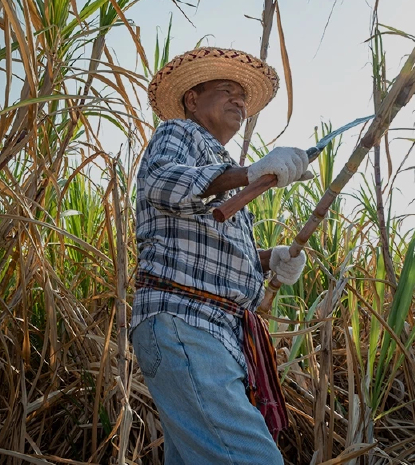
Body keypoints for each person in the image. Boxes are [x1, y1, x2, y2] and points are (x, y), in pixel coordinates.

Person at [130, 47, 313, 464]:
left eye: (243, 96)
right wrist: (249, 174)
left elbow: (212, 244)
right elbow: (161, 184)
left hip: (211, 333)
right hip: (187, 322)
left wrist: (269, 259)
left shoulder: (221, 165)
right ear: (193, 99)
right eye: (227, 89)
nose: (239, 100)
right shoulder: (178, 133)